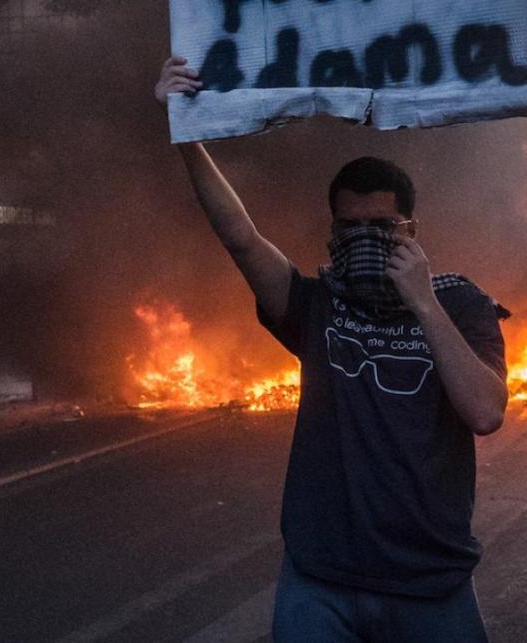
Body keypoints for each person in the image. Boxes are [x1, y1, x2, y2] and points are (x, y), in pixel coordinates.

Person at [155, 57, 508, 642]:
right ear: (332, 231)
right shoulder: (316, 306)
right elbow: (240, 237)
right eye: (351, 229)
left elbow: (486, 412)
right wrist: (185, 131)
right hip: (323, 582)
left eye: (384, 228)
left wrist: (423, 303)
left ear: (412, 231)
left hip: (430, 584)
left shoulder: (461, 302)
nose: (367, 240)